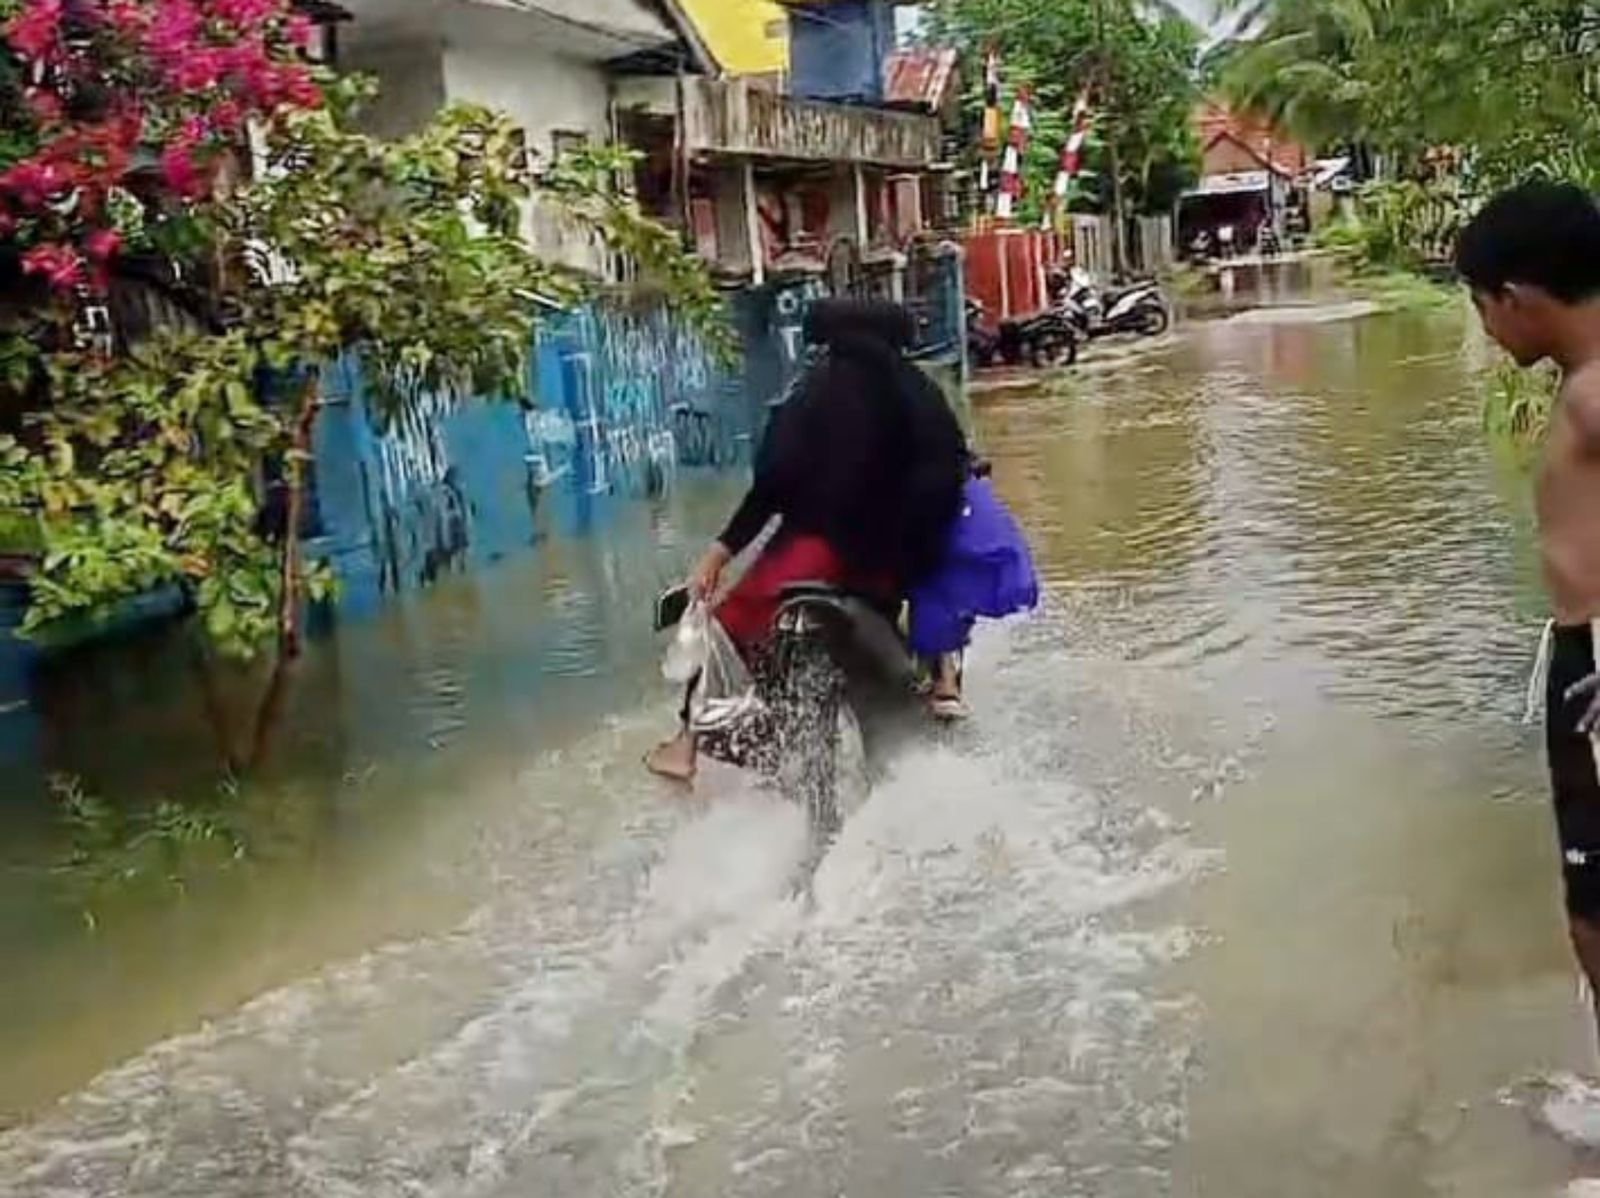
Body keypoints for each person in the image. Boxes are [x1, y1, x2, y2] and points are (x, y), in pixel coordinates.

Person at [646, 298, 969, 782]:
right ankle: (944, 684)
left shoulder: (813, 392)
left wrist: (720, 551)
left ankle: (685, 746)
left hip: (812, 558)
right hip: (886, 570)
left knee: (722, 629)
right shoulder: (920, 394)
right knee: (944, 594)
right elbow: (947, 478)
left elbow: (774, 482)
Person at [1457, 180, 1600, 1046]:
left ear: (1517, 298)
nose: (1485, 329)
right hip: (1581, 658)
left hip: (1597, 668)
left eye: (1482, 307)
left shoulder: (1591, 395)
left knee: (1595, 914)